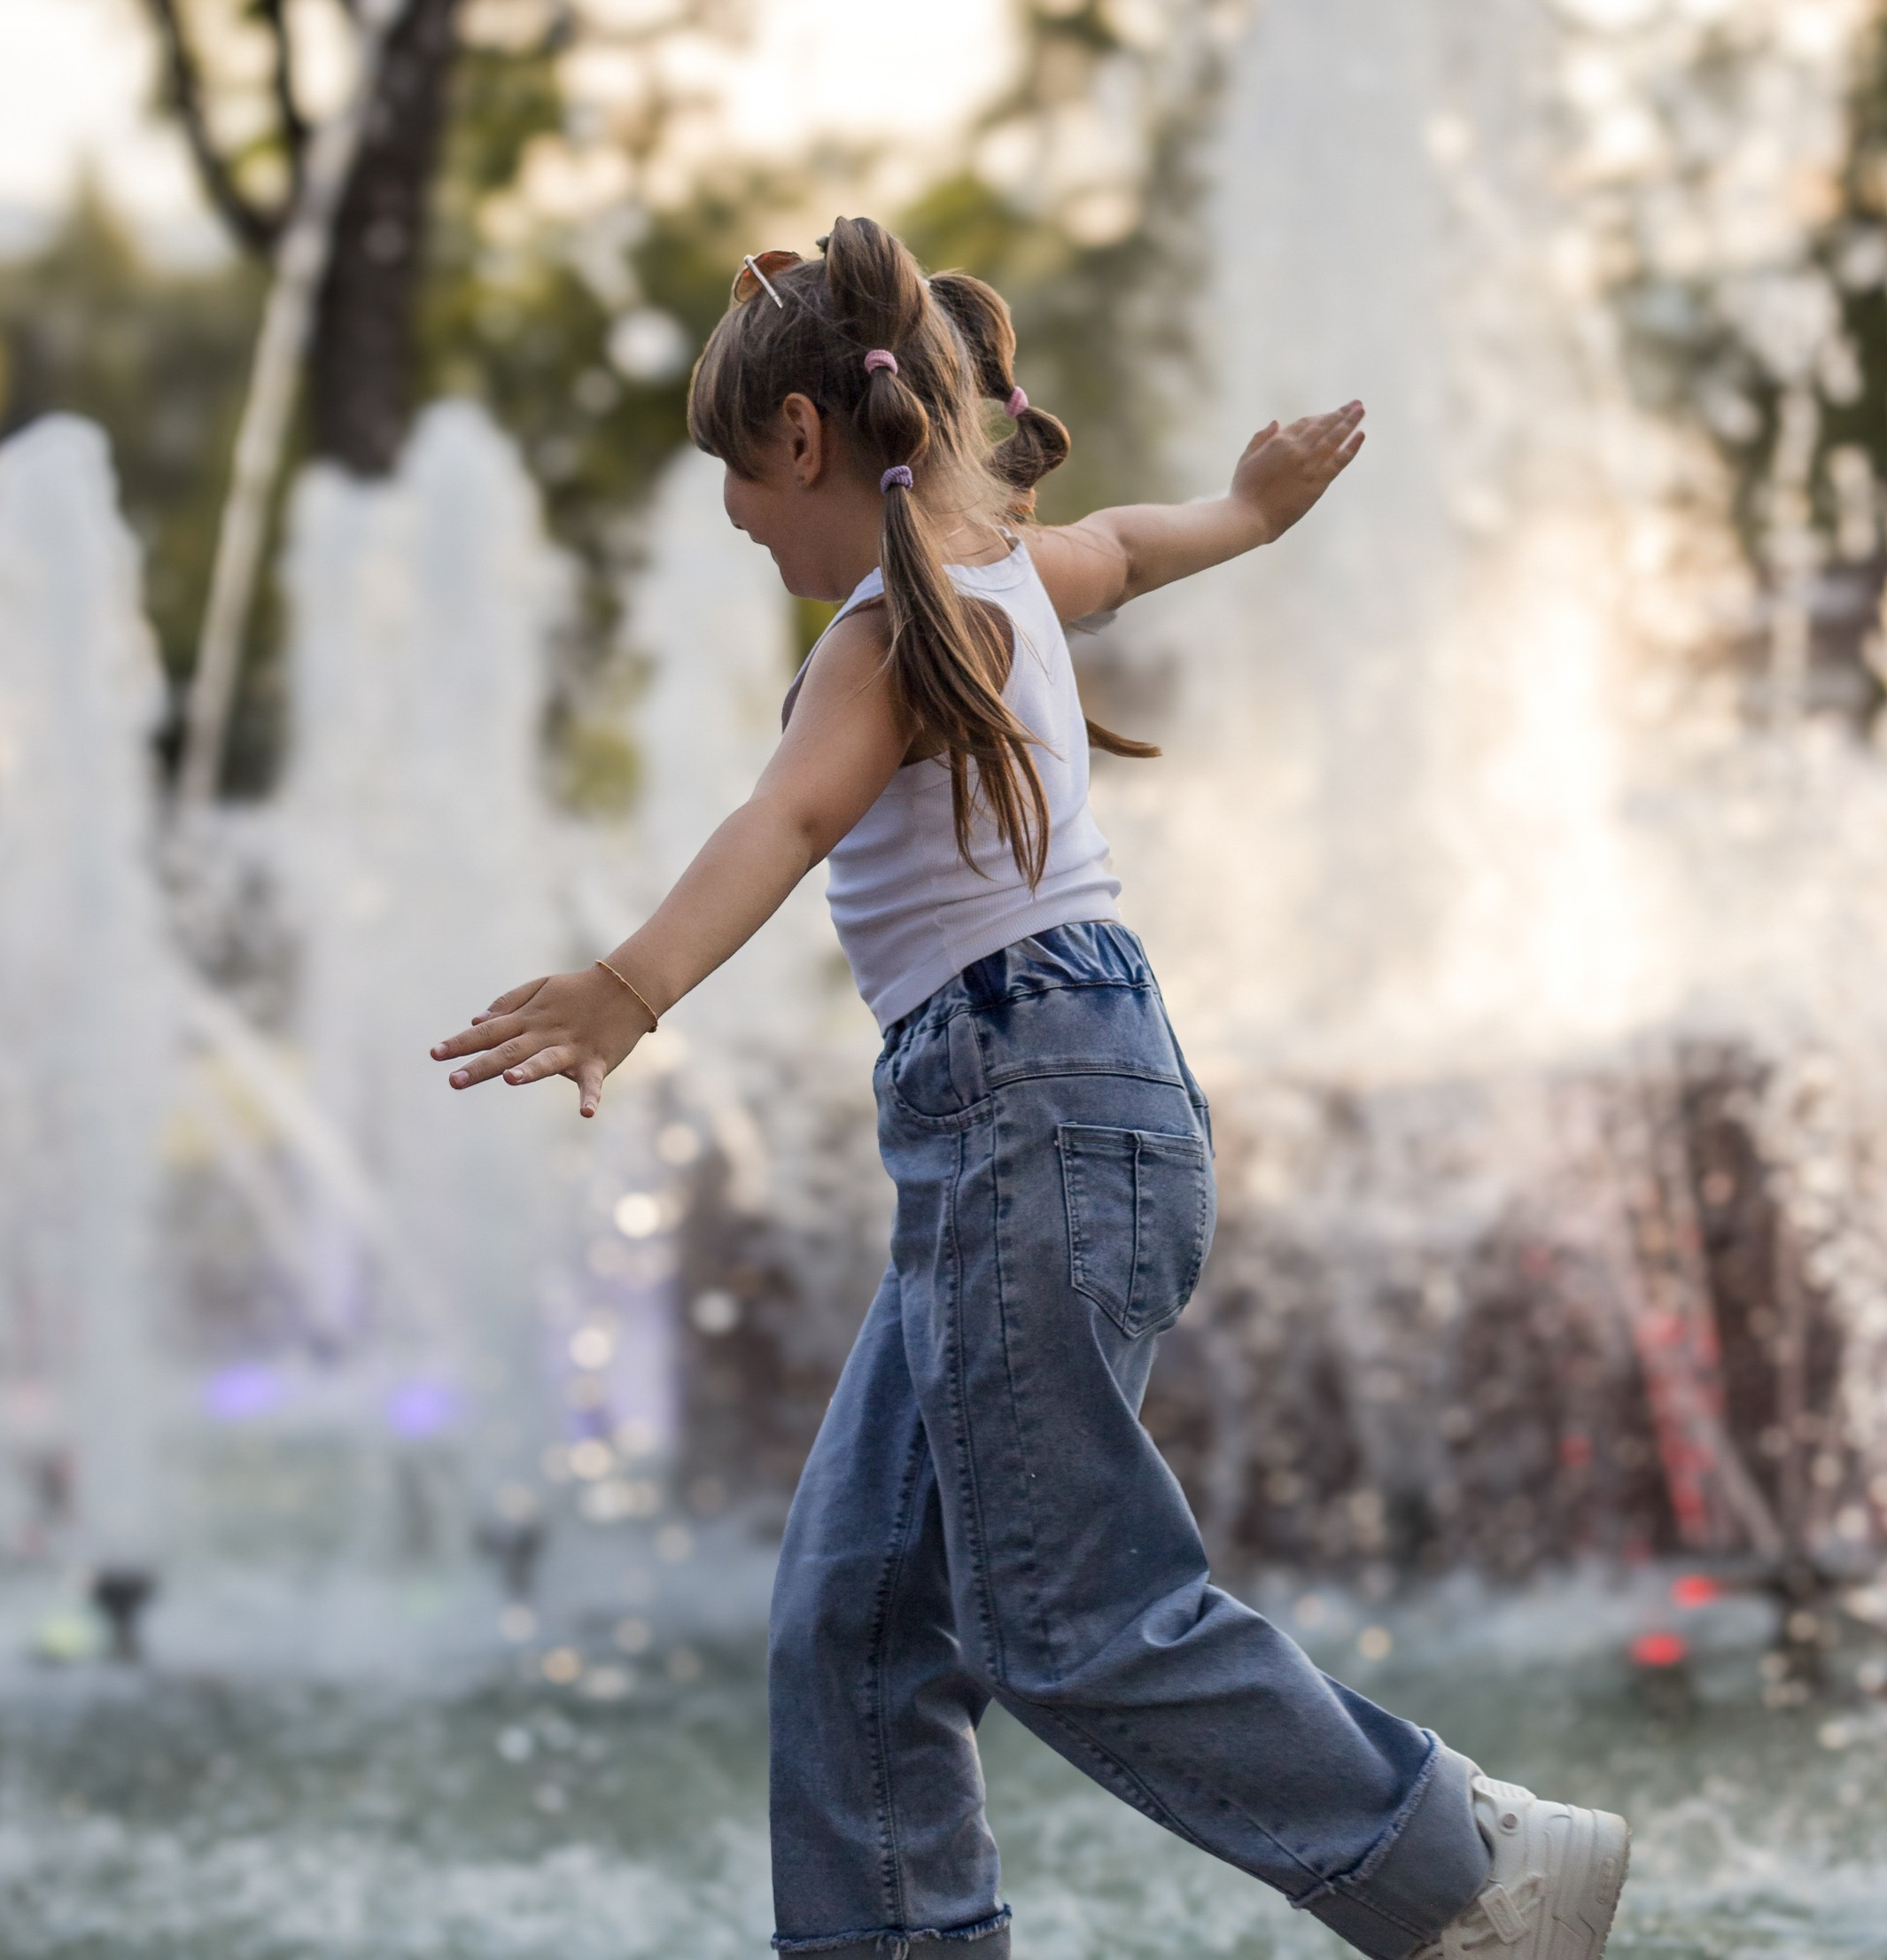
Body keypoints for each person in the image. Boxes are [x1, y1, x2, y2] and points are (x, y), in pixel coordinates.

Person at [432, 216, 1630, 1960]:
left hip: (1034, 1109)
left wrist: (627, 989)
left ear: (800, 438)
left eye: (734, 474)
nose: (730, 516)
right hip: (1046, 1109)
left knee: (1063, 1612)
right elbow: (1135, 547)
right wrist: (1254, 513)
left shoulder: (886, 640)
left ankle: (1462, 1860)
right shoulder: (989, 571)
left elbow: (788, 818)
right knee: (850, 1619)